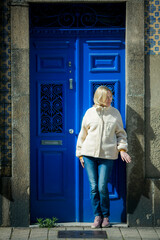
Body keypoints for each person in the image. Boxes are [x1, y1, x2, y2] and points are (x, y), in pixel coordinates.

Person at [76, 86, 131, 228]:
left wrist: (122, 149)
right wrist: (80, 154)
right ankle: (97, 216)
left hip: (107, 156)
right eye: (107, 97)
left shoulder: (115, 113)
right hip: (89, 155)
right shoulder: (89, 113)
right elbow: (82, 135)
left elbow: (121, 134)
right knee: (93, 187)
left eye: (111, 96)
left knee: (101, 187)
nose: (110, 99)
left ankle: (106, 217)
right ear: (99, 97)